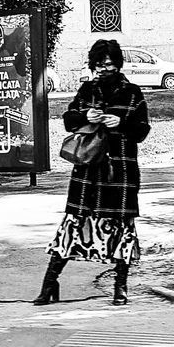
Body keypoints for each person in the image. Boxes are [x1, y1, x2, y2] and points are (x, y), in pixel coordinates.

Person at [35, 38, 151, 307]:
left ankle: (120, 287)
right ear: (93, 65)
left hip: (119, 171)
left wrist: (120, 122)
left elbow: (142, 131)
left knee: (122, 226)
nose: (105, 69)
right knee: (73, 222)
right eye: (99, 65)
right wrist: (86, 116)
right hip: (88, 170)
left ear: (118, 65)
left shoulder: (132, 93)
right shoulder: (87, 91)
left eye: (110, 65)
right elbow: (68, 121)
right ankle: (49, 284)